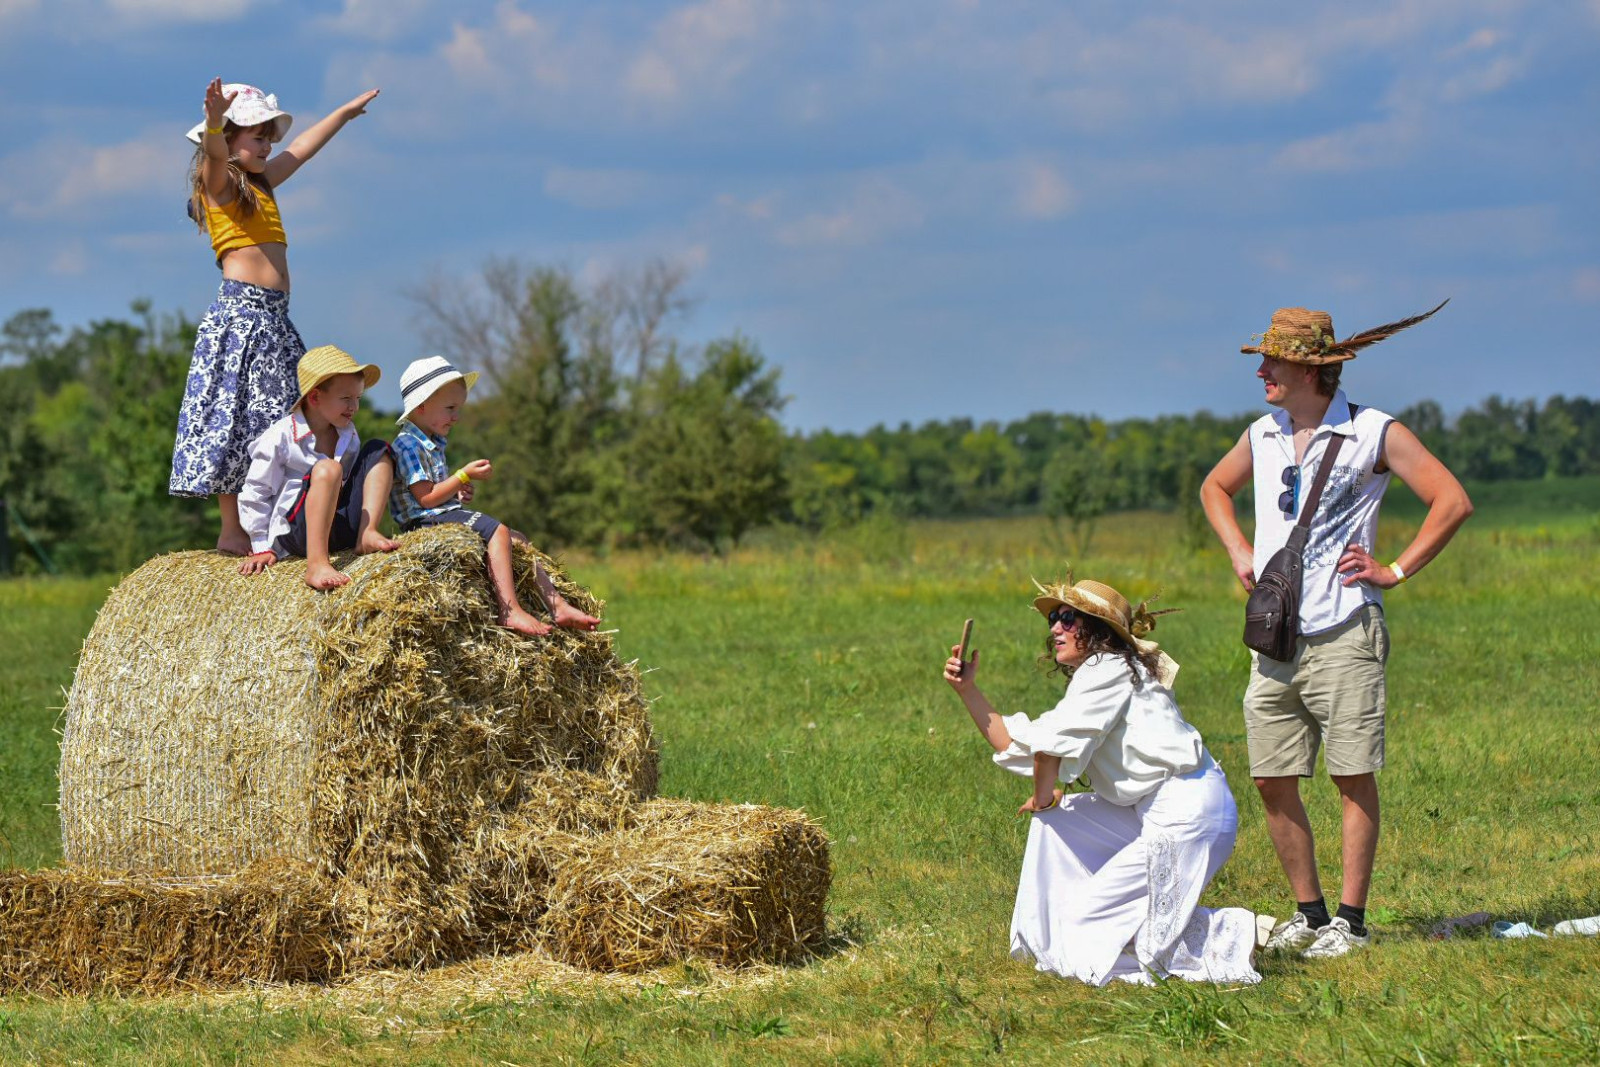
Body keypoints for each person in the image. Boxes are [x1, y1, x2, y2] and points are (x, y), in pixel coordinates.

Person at [1200, 303, 1473, 959]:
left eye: (1272, 361)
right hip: (1276, 639)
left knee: (1351, 774)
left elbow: (1451, 499)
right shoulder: (1262, 434)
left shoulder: (1371, 431)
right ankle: (1308, 911)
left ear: (1307, 368)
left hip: (1347, 627)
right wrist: (1239, 549)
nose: (1261, 370)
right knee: (1271, 775)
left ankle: (1350, 921)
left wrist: (1396, 568)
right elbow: (1214, 486)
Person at [942, 576, 1270, 986]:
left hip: (1187, 813)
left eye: (1067, 618)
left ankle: (1233, 932)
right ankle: (1104, 920)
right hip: (1154, 808)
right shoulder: (1102, 672)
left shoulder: (1107, 667)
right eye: (1053, 619)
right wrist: (967, 689)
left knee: (1088, 935)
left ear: (1096, 630)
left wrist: (1044, 797)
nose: (1055, 628)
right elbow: (1020, 743)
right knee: (1058, 824)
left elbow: (1048, 751)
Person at [169, 77, 381, 557]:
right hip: (240, 317)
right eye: (257, 136)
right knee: (236, 420)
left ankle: (288, 521)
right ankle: (233, 529)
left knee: (287, 418)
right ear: (231, 139)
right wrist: (214, 122)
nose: (267, 145)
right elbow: (216, 155)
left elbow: (303, 149)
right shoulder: (218, 185)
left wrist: (343, 114)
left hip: (276, 321)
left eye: (269, 137)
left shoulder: (262, 184)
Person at [388, 356, 600, 636]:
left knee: (518, 540)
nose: (456, 416)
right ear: (422, 406)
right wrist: (462, 475)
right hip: (424, 522)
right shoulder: (408, 445)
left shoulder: (432, 443)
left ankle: (557, 605)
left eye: (458, 409)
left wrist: (458, 489)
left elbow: (437, 490)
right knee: (498, 531)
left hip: (439, 514)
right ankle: (509, 611)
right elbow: (426, 499)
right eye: (450, 408)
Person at [236, 345, 400, 590]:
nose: (354, 407)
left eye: (358, 398)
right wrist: (260, 545)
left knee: (379, 448)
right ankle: (316, 564)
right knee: (329, 469)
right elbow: (256, 490)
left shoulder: (348, 434)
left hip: (338, 525)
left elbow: (354, 485)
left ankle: (367, 533)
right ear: (315, 398)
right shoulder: (280, 436)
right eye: (346, 399)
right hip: (295, 532)